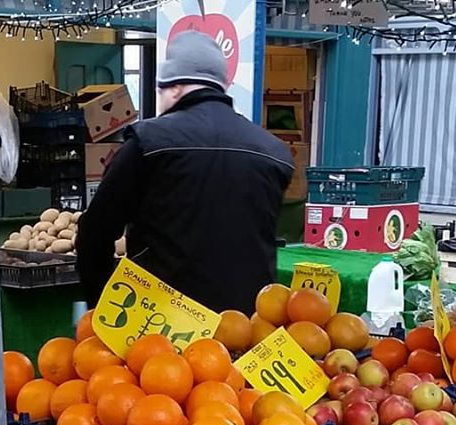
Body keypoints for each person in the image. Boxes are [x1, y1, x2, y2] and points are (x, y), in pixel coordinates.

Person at [76, 31, 294, 315]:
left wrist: (102, 305)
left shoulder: (148, 142)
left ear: (175, 87)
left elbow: (96, 232)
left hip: (160, 328)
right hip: (247, 327)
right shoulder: (274, 153)